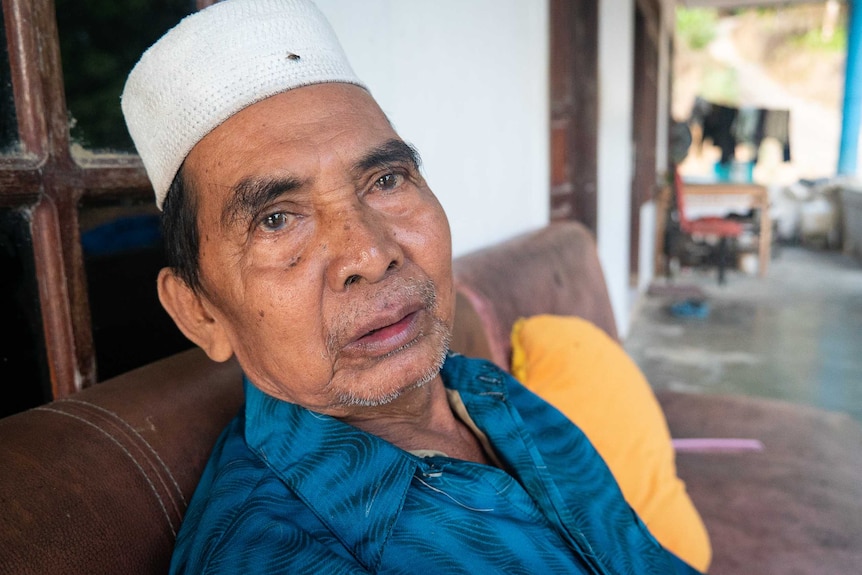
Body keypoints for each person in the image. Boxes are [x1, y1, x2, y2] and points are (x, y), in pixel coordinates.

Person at [121, 1, 703, 573]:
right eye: (276, 219)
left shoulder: (485, 391)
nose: (372, 255)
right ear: (199, 313)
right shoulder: (272, 552)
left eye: (387, 179)